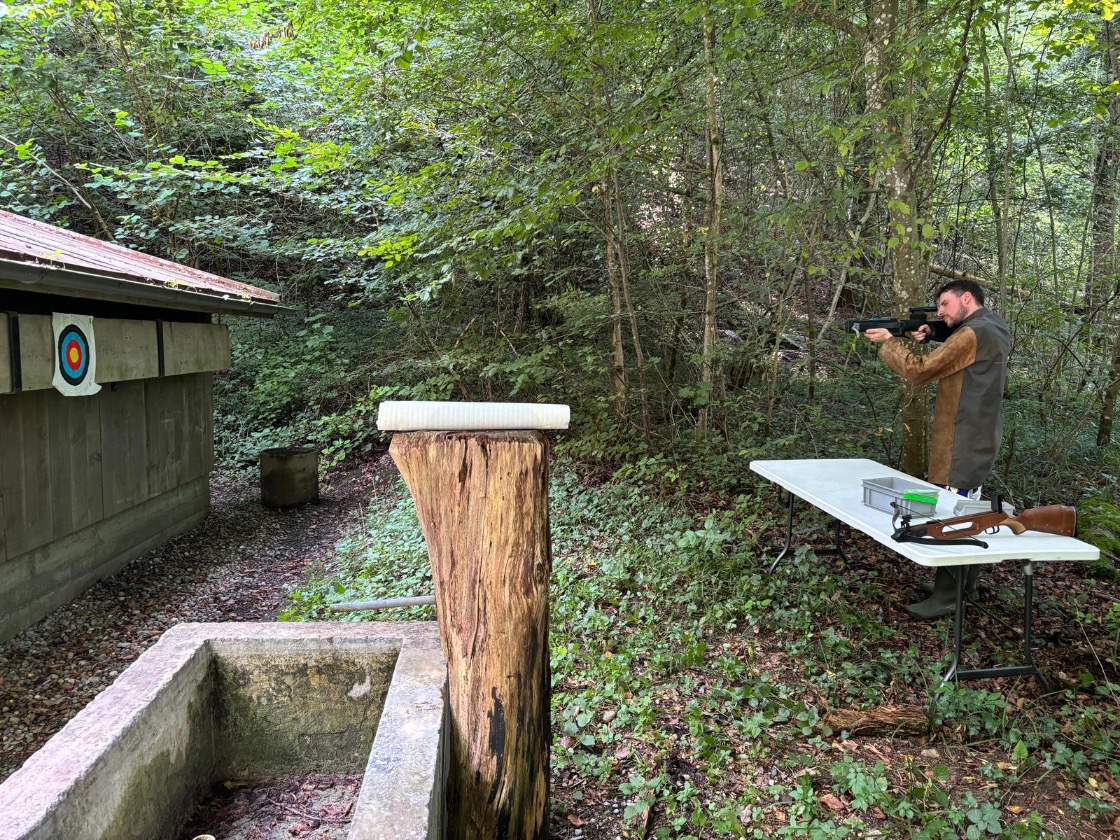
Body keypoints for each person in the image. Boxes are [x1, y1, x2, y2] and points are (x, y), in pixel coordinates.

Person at [863, 279, 1010, 619]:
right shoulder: (993, 325)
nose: (940, 311)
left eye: (945, 304)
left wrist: (888, 342)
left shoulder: (970, 334)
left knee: (951, 515)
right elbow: (961, 341)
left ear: (966, 298)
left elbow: (920, 371)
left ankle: (947, 597)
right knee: (969, 511)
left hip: (961, 440)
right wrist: (933, 332)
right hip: (979, 435)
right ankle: (965, 587)